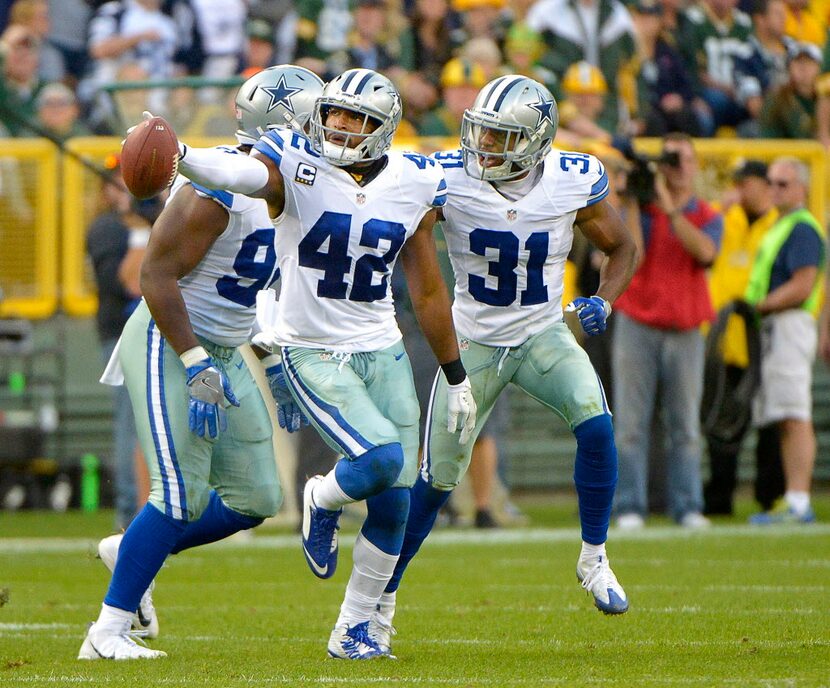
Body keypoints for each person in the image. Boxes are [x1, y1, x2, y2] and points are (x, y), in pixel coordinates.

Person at [171, 68, 477, 659]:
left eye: (356, 119)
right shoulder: (293, 159)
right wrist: (184, 155)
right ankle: (321, 497)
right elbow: (239, 172)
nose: (339, 127)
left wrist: (456, 374)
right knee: (383, 459)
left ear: (383, 130)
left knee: (397, 497)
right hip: (310, 348)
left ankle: (354, 629)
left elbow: (430, 290)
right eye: (333, 113)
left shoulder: (415, 178)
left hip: (381, 345)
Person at [372, 74, 638, 655]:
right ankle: (380, 603)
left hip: (543, 333)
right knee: (437, 481)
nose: (485, 145)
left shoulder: (573, 177)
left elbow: (622, 246)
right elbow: (397, 221)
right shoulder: (450, 176)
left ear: (536, 140)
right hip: (473, 345)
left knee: (596, 423)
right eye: (482, 131)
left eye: (501, 135)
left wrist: (604, 298)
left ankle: (594, 557)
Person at [77, 65, 324, 661]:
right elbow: (154, 277)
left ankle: (133, 547)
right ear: (283, 126)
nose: (328, 133)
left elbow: (265, 287)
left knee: (257, 498)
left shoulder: (299, 190)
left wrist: (276, 360)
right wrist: (192, 361)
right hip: (169, 339)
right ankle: (106, 633)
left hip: (229, 346)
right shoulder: (218, 191)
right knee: (180, 493)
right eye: (317, 120)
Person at [612, 133, 722, 530]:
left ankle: (688, 504)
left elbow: (705, 253)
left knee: (685, 425)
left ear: (694, 166)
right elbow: (632, 256)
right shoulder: (643, 209)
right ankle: (629, 506)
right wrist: (632, 200)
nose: (677, 167)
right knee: (629, 424)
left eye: (684, 160)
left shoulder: (706, 215)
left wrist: (670, 208)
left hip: (686, 327)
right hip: (638, 322)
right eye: (671, 160)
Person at [703, 160, 783, 516]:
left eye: (747, 182)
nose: (741, 189)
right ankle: (720, 498)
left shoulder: (778, 226)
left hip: (764, 339)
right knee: (722, 424)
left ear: (763, 185)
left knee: (769, 421)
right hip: (725, 340)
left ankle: (771, 497)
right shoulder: (726, 218)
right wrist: (723, 208)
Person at [747, 156, 825, 525]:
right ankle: (793, 497)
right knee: (785, 415)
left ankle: (798, 499)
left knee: (794, 413)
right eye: (772, 182)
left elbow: (803, 284)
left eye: (783, 183)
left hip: (789, 323)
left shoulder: (802, 228)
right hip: (777, 326)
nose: (774, 189)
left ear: (801, 188)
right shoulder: (782, 225)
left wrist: (760, 305)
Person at [86, 158, 152, 531]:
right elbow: (128, 283)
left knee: (143, 426)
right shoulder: (107, 228)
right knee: (133, 426)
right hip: (123, 335)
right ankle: (129, 514)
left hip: (152, 334)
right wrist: (141, 229)